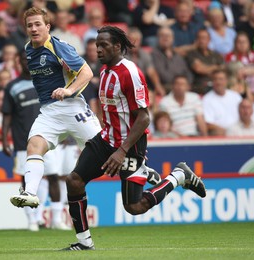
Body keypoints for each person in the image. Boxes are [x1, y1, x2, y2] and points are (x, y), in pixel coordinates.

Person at [62, 25, 206, 250]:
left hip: (130, 145)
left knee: (134, 207)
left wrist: (121, 152)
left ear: (117, 46)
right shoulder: (105, 71)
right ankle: (84, 242)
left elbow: (144, 118)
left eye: (103, 45)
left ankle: (178, 176)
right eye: (96, 45)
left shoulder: (130, 72)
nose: (97, 50)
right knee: (74, 181)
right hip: (106, 139)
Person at [9, 7, 102, 208]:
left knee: (106, 155)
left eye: (38, 24)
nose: (34, 28)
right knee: (34, 145)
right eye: (29, 25)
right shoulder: (28, 49)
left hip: (73, 108)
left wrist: (69, 90)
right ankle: (30, 193)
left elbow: (86, 72)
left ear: (47, 27)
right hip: (49, 112)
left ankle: (144, 172)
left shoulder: (58, 46)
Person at [2, 51, 69, 231]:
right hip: (23, 142)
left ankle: (56, 219)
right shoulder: (12, 87)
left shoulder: (45, 81)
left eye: (28, 59)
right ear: (18, 62)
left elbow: (59, 108)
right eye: (22, 59)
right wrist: (4, 140)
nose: (26, 62)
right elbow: (7, 116)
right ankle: (32, 220)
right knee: (27, 180)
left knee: (54, 176)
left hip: (48, 139)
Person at [202, 69, 242, 136]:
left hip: (239, 131)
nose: (218, 82)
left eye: (221, 79)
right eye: (215, 79)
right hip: (220, 134)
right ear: (212, 82)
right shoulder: (206, 99)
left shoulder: (236, 96)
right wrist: (228, 132)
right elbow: (208, 124)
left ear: (226, 81)